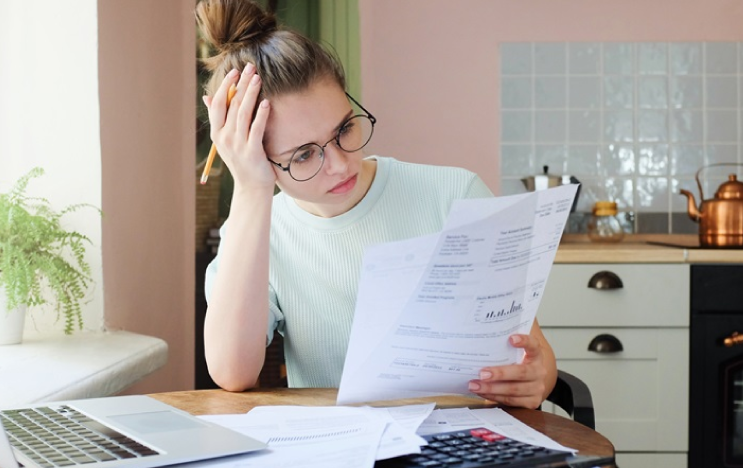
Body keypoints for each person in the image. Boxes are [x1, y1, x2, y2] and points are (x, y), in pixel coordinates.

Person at [197, 0, 557, 410]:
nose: (339, 164)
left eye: (344, 129)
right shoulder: (257, 231)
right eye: (303, 155)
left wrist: (538, 378)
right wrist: (250, 189)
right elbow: (232, 372)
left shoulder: (455, 194)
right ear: (256, 158)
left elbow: (536, 353)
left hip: (463, 436)